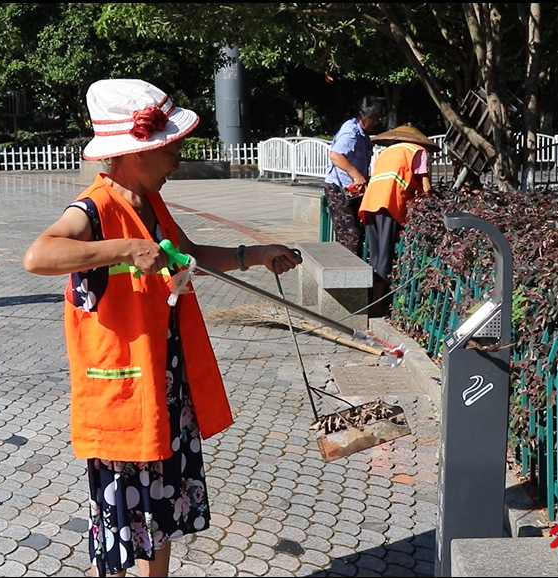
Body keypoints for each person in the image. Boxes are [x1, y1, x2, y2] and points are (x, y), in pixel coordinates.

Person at [23, 78, 301, 578]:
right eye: (171, 148)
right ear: (135, 152)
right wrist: (125, 250)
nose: (177, 160)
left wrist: (254, 255)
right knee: (118, 538)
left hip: (168, 393)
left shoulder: (152, 203)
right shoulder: (93, 209)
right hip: (126, 400)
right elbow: (39, 255)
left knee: (162, 523)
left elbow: (187, 254)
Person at [358, 125, 440, 317]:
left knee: (376, 254)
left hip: (370, 202)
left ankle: (371, 298)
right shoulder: (418, 151)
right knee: (385, 256)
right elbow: (427, 188)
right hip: (389, 203)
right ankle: (377, 304)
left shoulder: (387, 152)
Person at [323, 96, 385, 258]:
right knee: (350, 237)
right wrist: (356, 175)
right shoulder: (351, 132)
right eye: (376, 119)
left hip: (353, 191)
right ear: (368, 118)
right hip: (338, 189)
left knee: (357, 231)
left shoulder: (362, 134)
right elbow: (335, 155)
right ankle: (346, 278)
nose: (377, 123)